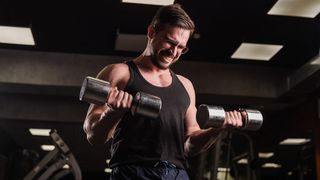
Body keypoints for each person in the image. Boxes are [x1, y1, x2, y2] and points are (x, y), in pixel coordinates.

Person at [83, 4, 243, 180]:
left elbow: (189, 146)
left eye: (182, 47)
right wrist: (114, 112)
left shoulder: (185, 85)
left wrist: (215, 130)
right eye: (170, 42)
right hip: (133, 172)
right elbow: (93, 135)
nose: (174, 52)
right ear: (152, 32)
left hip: (177, 174)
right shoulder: (119, 73)